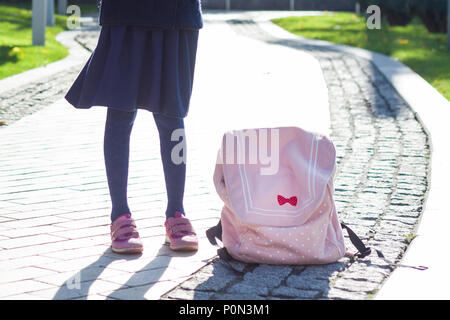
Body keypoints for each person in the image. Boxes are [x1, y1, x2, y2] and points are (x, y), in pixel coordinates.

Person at [65, 0, 203, 254]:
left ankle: (176, 211)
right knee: (120, 111)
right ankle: (120, 215)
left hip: (177, 13)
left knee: (172, 114)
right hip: (125, 12)